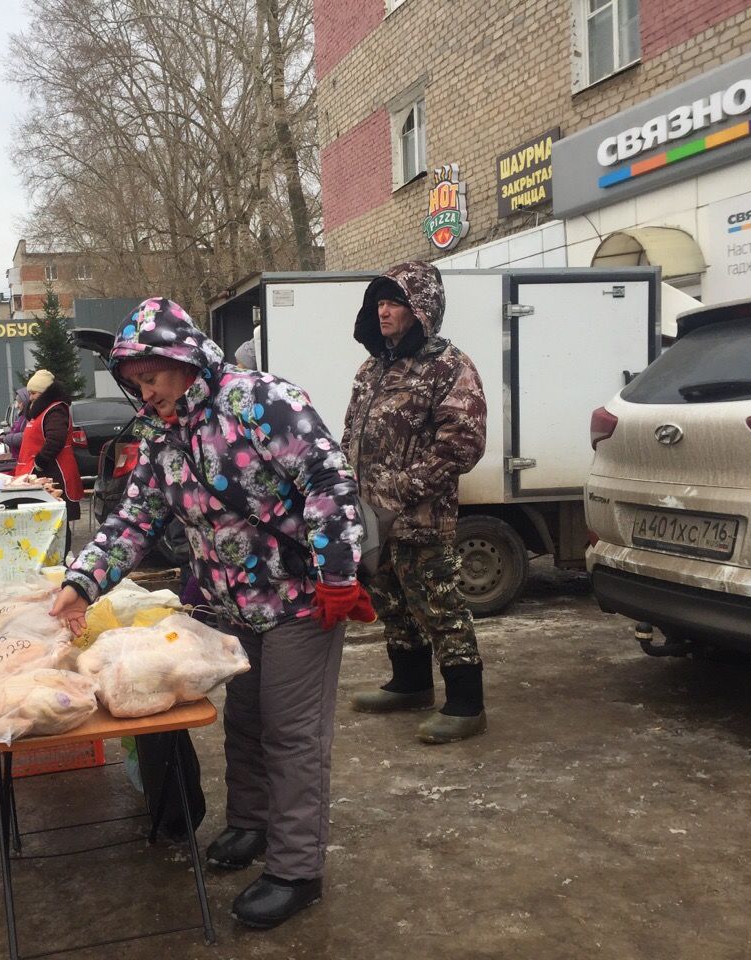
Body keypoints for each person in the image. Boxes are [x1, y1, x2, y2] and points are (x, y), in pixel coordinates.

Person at [49, 298, 374, 929]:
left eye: (154, 377)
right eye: (136, 381)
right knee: (245, 721)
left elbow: (328, 482)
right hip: (229, 604)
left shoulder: (262, 400)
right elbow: (136, 517)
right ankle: (252, 823)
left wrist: (338, 574)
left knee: (292, 733)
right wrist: (82, 583)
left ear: (186, 359)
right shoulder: (160, 431)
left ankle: (296, 868)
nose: (146, 392)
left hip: (301, 598)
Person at [342, 261, 489, 743]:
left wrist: (402, 488)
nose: (383, 311)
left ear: (421, 308)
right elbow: (352, 434)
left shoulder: (448, 365)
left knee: (439, 606)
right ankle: (410, 684)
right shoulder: (372, 367)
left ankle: (467, 705)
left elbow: (462, 443)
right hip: (372, 515)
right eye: (379, 302)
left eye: (394, 302)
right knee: (392, 602)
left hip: (421, 517)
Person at [14, 368, 82, 555]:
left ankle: (59, 560)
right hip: (38, 474)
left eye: (34, 393)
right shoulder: (39, 412)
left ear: (45, 393)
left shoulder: (56, 410)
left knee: (58, 522)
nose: (31, 397)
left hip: (54, 474)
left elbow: (55, 440)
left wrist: (39, 463)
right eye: (29, 393)